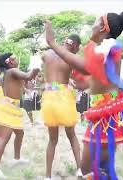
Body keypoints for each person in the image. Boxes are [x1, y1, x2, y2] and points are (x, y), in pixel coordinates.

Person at [45, 10, 123, 179]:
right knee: (102, 167)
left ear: (102, 27)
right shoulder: (106, 49)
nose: (92, 27)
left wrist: (52, 43)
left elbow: (84, 66)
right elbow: (95, 81)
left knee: (88, 168)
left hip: (106, 119)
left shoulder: (107, 46)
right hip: (106, 113)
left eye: (94, 23)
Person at [0, 53, 39, 179]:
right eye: (14, 57)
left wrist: (29, 85)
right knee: (4, 139)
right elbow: (29, 75)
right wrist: (36, 63)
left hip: (12, 107)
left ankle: (17, 158)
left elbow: (26, 82)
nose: (17, 59)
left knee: (20, 133)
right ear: (10, 62)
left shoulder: (9, 73)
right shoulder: (12, 71)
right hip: (10, 108)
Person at [41, 34, 83, 179]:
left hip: (48, 97)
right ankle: (80, 170)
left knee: (52, 140)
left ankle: (47, 176)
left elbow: (47, 66)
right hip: (64, 97)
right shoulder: (70, 57)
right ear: (75, 45)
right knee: (71, 135)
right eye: (78, 47)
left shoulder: (47, 53)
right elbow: (80, 79)